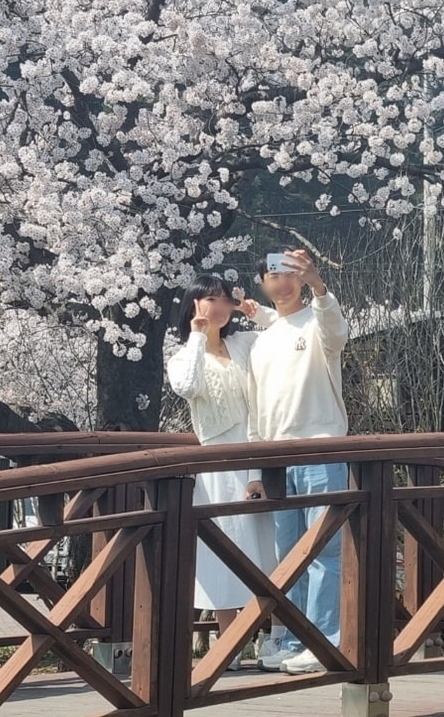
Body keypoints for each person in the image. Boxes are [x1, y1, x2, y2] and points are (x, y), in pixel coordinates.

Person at [166, 275, 278, 670]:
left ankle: (275, 637)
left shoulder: (244, 344)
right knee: (223, 553)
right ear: (193, 304)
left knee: (268, 549)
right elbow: (187, 385)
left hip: (255, 455)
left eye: (221, 299)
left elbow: (282, 333)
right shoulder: (182, 356)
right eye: (207, 299)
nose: (216, 305)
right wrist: (198, 335)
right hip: (214, 463)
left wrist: (256, 311)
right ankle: (229, 641)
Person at [247, 247, 350, 676]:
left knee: (325, 551)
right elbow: (255, 409)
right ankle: (290, 638)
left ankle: (324, 640)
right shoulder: (262, 339)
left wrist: (319, 284)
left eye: (292, 274)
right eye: (275, 274)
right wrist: (255, 469)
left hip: (321, 449)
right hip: (275, 456)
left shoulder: (319, 320)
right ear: (263, 282)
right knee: (287, 554)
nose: (284, 281)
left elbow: (335, 329)